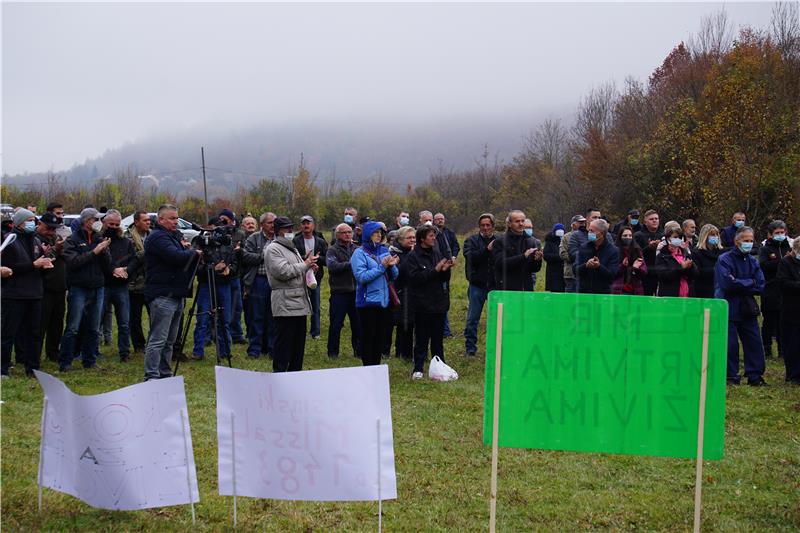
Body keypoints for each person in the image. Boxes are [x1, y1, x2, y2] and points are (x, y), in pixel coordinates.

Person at [143, 205, 201, 381]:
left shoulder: (173, 236)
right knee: (158, 339)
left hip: (176, 294)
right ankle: (152, 376)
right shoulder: (157, 237)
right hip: (163, 294)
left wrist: (188, 250)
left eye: (177, 218)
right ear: (161, 220)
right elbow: (175, 257)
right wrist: (194, 252)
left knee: (170, 341)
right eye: (172, 218)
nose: (176, 221)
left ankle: (165, 374)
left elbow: (181, 255)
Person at [1, 209, 52, 377]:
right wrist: (33, 265)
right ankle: (3, 368)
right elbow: (8, 269)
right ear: (20, 223)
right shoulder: (9, 240)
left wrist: (45, 266)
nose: (34, 223)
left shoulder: (36, 241)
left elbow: (37, 264)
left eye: (34, 220)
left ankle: (33, 368)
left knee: (34, 333)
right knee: (9, 333)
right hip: (14, 294)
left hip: (35, 294)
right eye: (30, 220)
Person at [59, 208, 111, 372]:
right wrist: (94, 252)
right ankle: (66, 361)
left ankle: (90, 360)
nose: (98, 222)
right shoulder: (72, 240)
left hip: (98, 286)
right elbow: (73, 262)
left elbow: (107, 264)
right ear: (87, 220)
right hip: (79, 287)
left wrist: (104, 252)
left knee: (94, 327)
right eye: (96, 219)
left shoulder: (99, 238)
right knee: (73, 326)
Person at [715, 226, 767, 386]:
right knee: (730, 344)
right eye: (746, 241)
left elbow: (760, 285)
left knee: (754, 343)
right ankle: (731, 376)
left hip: (748, 308)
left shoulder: (753, 260)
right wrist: (749, 282)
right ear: (737, 241)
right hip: (729, 306)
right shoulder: (724, 259)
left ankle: (755, 375)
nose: (749, 244)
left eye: (751, 241)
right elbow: (727, 283)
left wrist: (740, 282)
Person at [265, 217, 317, 372]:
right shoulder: (273, 249)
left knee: (297, 347)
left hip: (299, 302)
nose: (290, 231)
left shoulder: (290, 247)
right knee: (283, 347)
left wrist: (309, 269)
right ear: (277, 231)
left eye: (291, 227)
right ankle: (280, 377)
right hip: (285, 303)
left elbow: (297, 269)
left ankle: (295, 378)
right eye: (286, 228)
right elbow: (283, 272)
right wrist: (305, 264)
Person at [406, 224, 451, 379]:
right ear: (422, 238)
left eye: (434, 235)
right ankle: (418, 368)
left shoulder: (437, 253)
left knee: (438, 339)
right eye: (431, 236)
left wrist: (446, 270)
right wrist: (435, 271)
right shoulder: (413, 257)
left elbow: (443, 278)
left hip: (438, 302)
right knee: (421, 339)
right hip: (422, 304)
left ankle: (440, 367)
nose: (434, 238)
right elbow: (415, 279)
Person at [351, 221, 399, 366]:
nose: (379, 235)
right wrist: (382, 267)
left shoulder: (383, 250)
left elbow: (394, 276)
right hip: (367, 302)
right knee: (368, 337)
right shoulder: (359, 253)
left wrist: (392, 267)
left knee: (380, 337)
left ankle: (376, 368)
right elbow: (361, 277)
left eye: (380, 233)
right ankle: (367, 368)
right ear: (367, 234)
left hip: (383, 301)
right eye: (375, 233)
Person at [191, 216, 237, 362]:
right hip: (206, 284)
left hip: (224, 284)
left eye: (221, 228)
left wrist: (229, 269)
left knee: (225, 319)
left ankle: (225, 350)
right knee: (202, 318)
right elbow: (195, 266)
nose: (218, 231)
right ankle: (198, 351)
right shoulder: (201, 243)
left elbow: (236, 263)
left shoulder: (228, 243)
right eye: (215, 227)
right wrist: (210, 269)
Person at [100, 210, 135, 361]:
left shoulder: (126, 242)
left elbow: (134, 260)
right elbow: (99, 262)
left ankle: (124, 352)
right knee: (97, 321)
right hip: (103, 284)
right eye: (111, 224)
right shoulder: (99, 240)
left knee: (124, 322)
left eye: (116, 224)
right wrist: (113, 270)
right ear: (104, 223)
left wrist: (126, 270)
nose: (114, 227)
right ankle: (92, 351)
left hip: (121, 285)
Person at [241, 212, 276, 358]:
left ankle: (271, 348)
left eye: (275, 222)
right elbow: (245, 256)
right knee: (257, 316)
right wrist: (264, 256)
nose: (273, 225)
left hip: (275, 281)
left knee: (273, 316)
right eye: (269, 223)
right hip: (258, 281)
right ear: (262, 225)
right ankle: (254, 349)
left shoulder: (279, 239)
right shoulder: (253, 238)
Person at [325, 223, 362, 359]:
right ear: (338, 235)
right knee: (336, 324)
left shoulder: (357, 249)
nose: (348, 234)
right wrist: (352, 264)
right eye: (344, 232)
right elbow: (333, 266)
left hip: (356, 292)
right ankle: (333, 352)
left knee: (357, 324)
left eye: (350, 232)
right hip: (339, 293)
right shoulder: (332, 250)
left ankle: (359, 351)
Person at [463, 213, 496, 356]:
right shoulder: (471, 241)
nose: (485, 228)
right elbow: (470, 257)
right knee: (472, 318)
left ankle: (495, 348)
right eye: (483, 225)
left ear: (493, 226)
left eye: (488, 225)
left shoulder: (500, 241)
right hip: (477, 285)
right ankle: (470, 348)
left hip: (495, 286)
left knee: (496, 319)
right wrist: (486, 250)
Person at [36, 212, 67, 363]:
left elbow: (66, 255)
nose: (51, 232)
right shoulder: (35, 239)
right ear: (40, 224)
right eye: (48, 228)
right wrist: (55, 249)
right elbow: (38, 260)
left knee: (57, 322)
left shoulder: (57, 238)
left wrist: (59, 248)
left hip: (60, 287)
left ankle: (53, 352)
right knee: (41, 324)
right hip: (43, 288)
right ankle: (34, 355)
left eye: (54, 229)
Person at [759, 220, 791, 358]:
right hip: (769, 288)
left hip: (784, 290)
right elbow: (764, 265)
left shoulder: (789, 247)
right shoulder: (765, 249)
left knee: (782, 321)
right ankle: (766, 348)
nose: (780, 235)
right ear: (771, 235)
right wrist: (782, 261)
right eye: (777, 233)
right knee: (769, 320)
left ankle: (782, 349)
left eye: (782, 232)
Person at [293, 215, 328, 340]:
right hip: (299, 276)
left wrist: (316, 260)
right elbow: (292, 257)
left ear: (313, 225)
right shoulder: (295, 240)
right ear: (300, 226)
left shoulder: (320, 241)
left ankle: (315, 332)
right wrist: (306, 259)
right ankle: (299, 331)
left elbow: (327, 259)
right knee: (298, 304)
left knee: (315, 305)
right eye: (303, 223)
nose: (306, 226)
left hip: (315, 277)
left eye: (308, 223)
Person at [493, 210, 543, 291]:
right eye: (517, 221)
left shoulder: (530, 241)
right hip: (507, 289)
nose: (521, 224)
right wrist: (523, 256)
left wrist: (538, 260)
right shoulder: (500, 241)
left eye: (522, 221)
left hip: (526, 288)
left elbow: (534, 269)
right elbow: (500, 264)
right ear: (509, 224)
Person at [217, 209, 247, 345]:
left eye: (226, 219)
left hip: (235, 275)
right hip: (221, 276)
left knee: (237, 306)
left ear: (231, 219)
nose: (223, 221)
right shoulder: (217, 233)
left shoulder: (240, 234)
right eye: (221, 219)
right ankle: (221, 335)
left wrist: (239, 251)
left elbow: (244, 253)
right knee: (223, 308)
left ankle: (237, 333)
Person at [125, 210, 151, 354]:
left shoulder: (152, 236)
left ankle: (153, 342)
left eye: (149, 220)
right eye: (145, 220)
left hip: (151, 282)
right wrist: (147, 253)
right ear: (136, 222)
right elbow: (130, 258)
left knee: (154, 315)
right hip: (134, 284)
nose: (148, 222)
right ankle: (138, 345)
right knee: (135, 317)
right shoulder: (128, 238)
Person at [776, 237, 800, 384]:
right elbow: (783, 283)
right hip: (791, 310)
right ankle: (793, 374)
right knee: (793, 344)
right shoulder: (786, 263)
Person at [390, 226, 416, 361]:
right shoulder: (394, 253)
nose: (412, 240)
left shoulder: (415, 251)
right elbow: (399, 273)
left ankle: (407, 353)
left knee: (409, 324)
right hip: (400, 292)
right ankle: (401, 353)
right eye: (409, 238)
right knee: (402, 323)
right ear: (400, 240)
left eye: (413, 237)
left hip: (414, 292)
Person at [575, 219, 619, 294]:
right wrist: (586, 265)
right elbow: (575, 270)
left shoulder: (613, 251)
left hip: (603, 294)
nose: (589, 233)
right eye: (589, 231)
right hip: (584, 293)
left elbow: (612, 276)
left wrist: (599, 266)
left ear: (601, 234)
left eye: (592, 231)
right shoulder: (583, 247)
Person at [433, 212, 458, 337]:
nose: (440, 221)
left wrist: (453, 256)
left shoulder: (449, 233)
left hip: (446, 268)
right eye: (437, 219)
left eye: (442, 219)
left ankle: (446, 330)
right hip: (435, 268)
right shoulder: (432, 233)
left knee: (444, 295)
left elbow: (455, 246)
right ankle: (442, 330)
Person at [654, 226, 697, 297]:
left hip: (687, 295)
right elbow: (663, 275)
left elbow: (695, 274)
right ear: (668, 238)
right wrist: (680, 267)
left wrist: (690, 267)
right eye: (675, 237)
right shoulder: (662, 256)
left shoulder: (685, 253)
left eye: (680, 237)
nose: (678, 239)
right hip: (670, 296)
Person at [634, 210, 664, 296]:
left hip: (660, 273)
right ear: (645, 222)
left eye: (656, 218)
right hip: (645, 274)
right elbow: (636, 254)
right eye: (651, 219)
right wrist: (649, 248)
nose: (654, 220)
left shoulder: (663, 235)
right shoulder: (638, 235)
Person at [691, 224, 724, 298]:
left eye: (716, 235)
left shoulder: (722, 252)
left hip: (719, 288)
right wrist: (715, 270)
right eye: (712, 235)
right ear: (705, 236)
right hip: (703, 289)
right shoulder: (696, 252)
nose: (715, 237)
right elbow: (697, 272)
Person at [612, 226, 647, 295]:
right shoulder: (614, 250)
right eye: (625, 235)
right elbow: (612, 272)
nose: (628, 237)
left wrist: (636, 268)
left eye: (630, 235)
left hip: (635, 289)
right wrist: (622, 266)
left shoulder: (637, 250)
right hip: (618, 289)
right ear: (620, 237)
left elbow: (644, 271)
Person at [560, 215, 586, 293]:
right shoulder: (566, 237)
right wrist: (578, 258)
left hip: (583, 273)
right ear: (573, 224)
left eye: (583, 223)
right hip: (570, 273)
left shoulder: (587, 235)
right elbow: (563, 253)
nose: (583, 224)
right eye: (580, 222)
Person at [543, 223, 565, 292]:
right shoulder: (549, 241)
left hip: (563, 271)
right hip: (553, 272)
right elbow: (546, 255)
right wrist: (560, 257)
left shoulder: (565, 240)